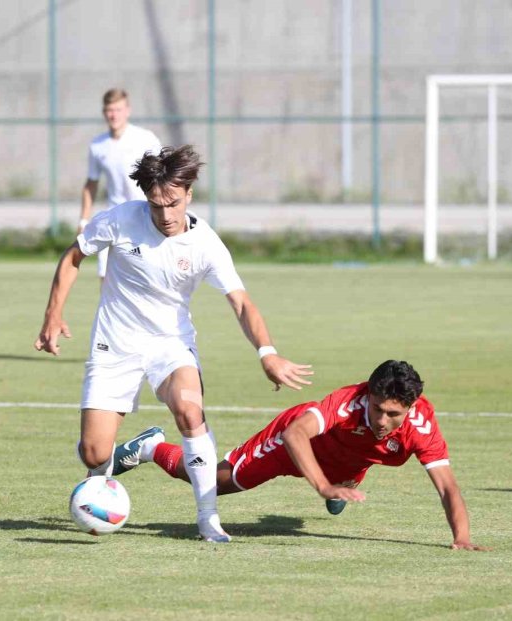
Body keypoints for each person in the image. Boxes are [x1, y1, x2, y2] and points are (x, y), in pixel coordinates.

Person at [35, 145, 313, 543]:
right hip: (115, 344)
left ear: (189, 194)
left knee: (189, 409)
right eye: (155, 204)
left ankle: (208, 518)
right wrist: (53, 314)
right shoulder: (120, 219)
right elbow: (73, 257)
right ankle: (111, 471)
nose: (164, 214)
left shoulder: (207, 245)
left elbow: (241, 302)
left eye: (173, 203)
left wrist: (266, 352)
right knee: (95, 453)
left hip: (171, 344)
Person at [113, 360, 489, 551]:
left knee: (362, 456)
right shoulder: (346, 405)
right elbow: (296, 434)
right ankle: (149, 446)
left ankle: (346, 481)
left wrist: (462, 537)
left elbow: (447, 488)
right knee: (213, 482)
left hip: (347, 460)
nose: (382, 419)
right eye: (377, 408)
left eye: (393, 414)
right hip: (292, 447)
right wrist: (322, 485)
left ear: (411, 406)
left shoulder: (422, 425)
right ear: (368, 395)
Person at [80, 88, 162, 281]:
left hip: (144, 217)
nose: (113, 115)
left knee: (147, 277)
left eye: (118, 109)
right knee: (106, 277)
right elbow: (91, 183)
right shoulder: (97, 145)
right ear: (104, 112)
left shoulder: (145, 139)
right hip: (114, 218)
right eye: (109, 110)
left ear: (127, 111)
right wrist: (83, 220)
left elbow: (163, 176)